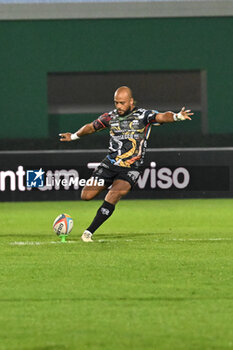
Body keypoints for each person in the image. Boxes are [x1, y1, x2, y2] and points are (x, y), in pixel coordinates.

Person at [59, 86, 193, 242]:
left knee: (114, 194)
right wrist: (74, 136)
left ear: (130, 101)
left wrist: (177, 116)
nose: (119, 106)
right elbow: (91, 127)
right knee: (86, 195)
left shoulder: (144, 115)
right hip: (109, 164)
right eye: (116, 103)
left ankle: (88, 232)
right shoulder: (110, 117)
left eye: (122, 103)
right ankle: (103, 201)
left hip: (131, 167)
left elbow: (162, 117)